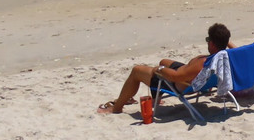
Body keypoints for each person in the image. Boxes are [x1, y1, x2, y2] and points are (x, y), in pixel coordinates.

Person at [96, 23, 231, 114]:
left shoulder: (202, 63)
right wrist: (163, 65)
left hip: (181, 83)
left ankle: (117, 108)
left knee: (137, 71)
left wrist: (159, 69)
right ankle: (156, 98)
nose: (207, 42)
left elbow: (175, 77)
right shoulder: (225, 57)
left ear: (212, 44)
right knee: (164, 61)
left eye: (208, 40)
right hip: (195, 78)